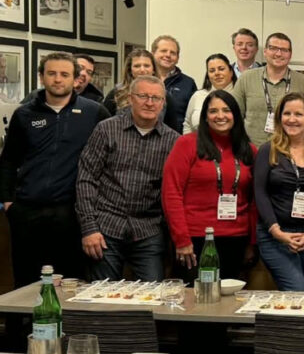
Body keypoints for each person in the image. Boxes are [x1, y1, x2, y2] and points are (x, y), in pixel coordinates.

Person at [0, 53, 110, 287]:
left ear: (75, 79)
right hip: (27, 212)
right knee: (26, 284)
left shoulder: (94, 112)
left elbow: (110, 157)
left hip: (71, 213)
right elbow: (8, 160)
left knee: (70, 283)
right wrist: (8, 201)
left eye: (64, 74)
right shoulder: (24, 114)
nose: (58, 79)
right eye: (51, 73)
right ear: (41, 77)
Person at [77, 76, 180, 281]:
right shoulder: (106, 129)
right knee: (103, 295)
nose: (149, 103)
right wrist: (89, 228)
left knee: (153, 293)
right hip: (105, 228)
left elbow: (173, 191)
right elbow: (86, 179)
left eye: (156, 98)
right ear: (130, 98)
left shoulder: (173, 141)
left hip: (148, 229)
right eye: (143, 96)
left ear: (163, 103)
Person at [162, 90, 257, 281]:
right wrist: (181, 239)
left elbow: (254, 200)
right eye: (213, 111)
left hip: (236, 239)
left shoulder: (248, 150)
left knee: (229, 297)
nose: (220, 116)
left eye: (226, 110)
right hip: (195, 239)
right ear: (205, 117)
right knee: (195, 296)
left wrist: (252, 242)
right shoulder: (186, 144)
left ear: (236, 115)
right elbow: (171, 193)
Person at [253, 93, 304, 291]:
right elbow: (260, 192)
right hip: (276, 236)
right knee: (297, 291)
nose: (292, 119)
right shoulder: (268, 150)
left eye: (299, 114)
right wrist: (276, 231)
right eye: (287, 113)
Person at [232, 33, 304, 146]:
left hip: (290, 150)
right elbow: (235, 116)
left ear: (290, 54)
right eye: (273, 48)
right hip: (252, 151)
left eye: (284, 50)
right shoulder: (246, 79)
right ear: (265, 52)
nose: (278, 54)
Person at [103, 49, 175, 124]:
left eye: (146, 66)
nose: (142, 70)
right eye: (137, 66)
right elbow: (104, 124)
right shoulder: (117, 93)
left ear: (153, 69)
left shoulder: (165, 96)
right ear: (130, 70)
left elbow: (172, 126)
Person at [152, 35, 197, 133]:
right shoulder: (142, 81)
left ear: (177, 58)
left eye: (173, 53)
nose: (168, 55)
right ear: (153, 53)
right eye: (163, 51)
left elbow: (192, 120)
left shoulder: (188, 84)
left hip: (176, 139)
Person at [183, 53, 237, 134]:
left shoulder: (240, 95)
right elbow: (187, 124)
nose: (217, 73)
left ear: (231, 72)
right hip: (198, 141)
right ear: (208, 75)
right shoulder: (198, 96)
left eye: (221, 69)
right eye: (212, 71)